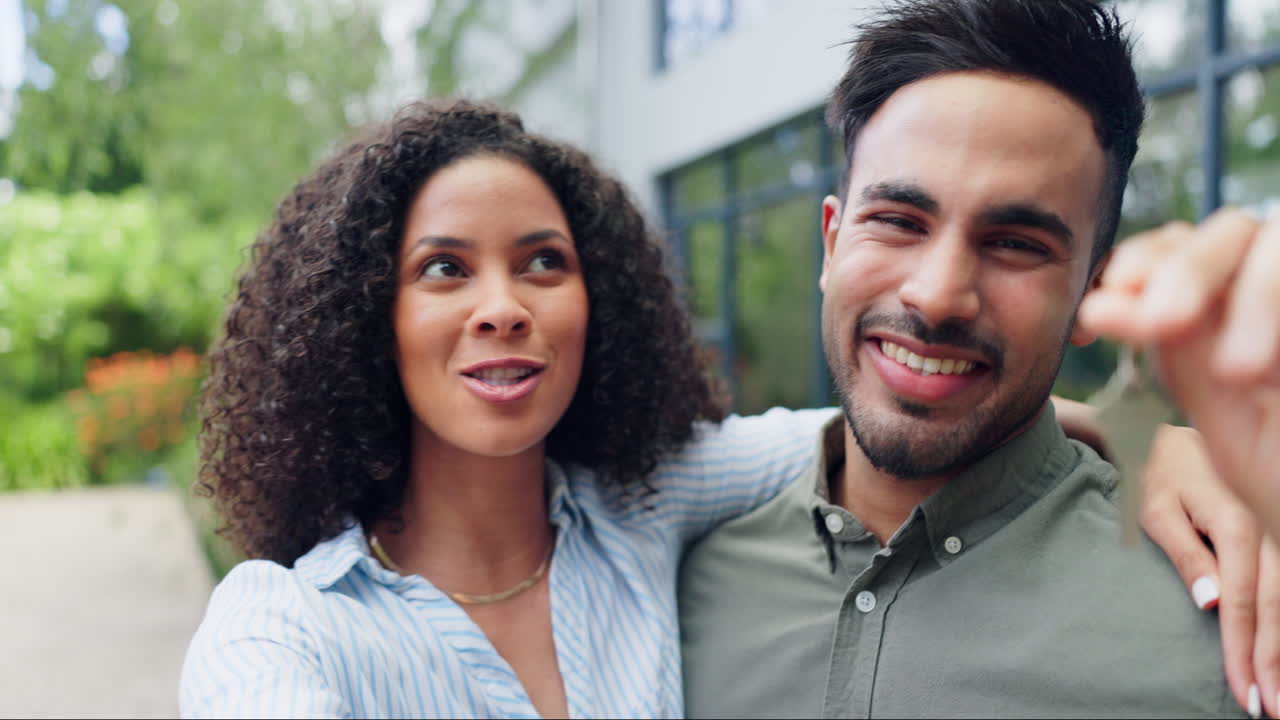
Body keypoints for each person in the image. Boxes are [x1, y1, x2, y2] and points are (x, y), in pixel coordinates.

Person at [180, 95, 1261, 719]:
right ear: (363, 316)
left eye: (543, 262)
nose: (502, 306)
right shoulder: (284, 623)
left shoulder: (645, 512)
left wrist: (1157, 439)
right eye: (444, 269)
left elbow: (885, 421)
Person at [678, 1, 1280, 718]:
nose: (937, 296)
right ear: (832, 244)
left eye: (1015, 244)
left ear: (1092, 291)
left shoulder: (1233, 614)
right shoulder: (677, 586)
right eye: (898, 221)